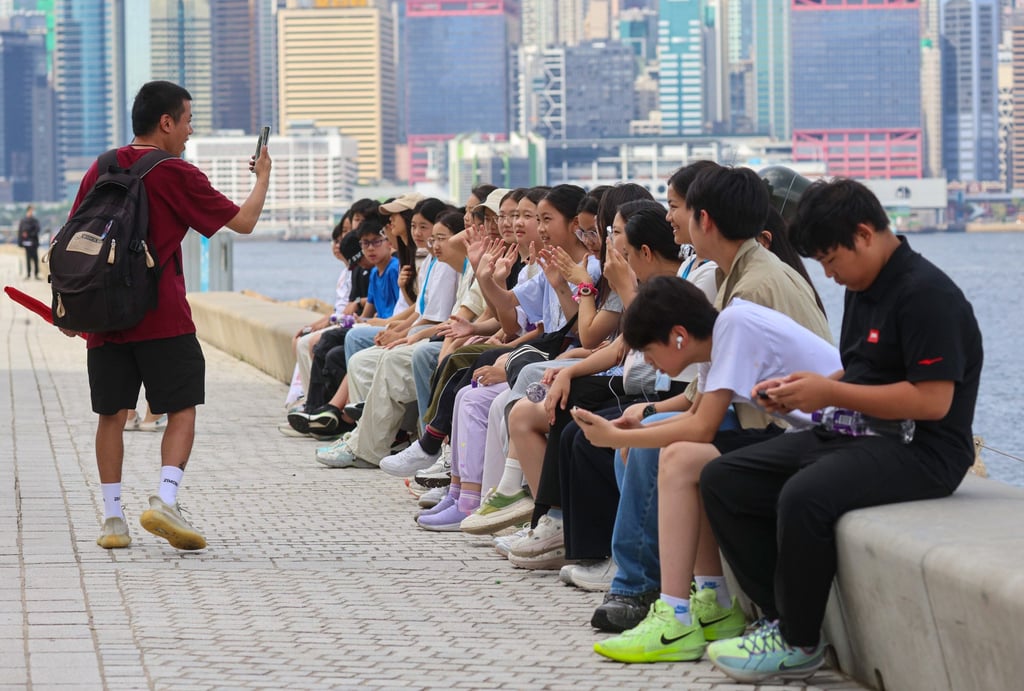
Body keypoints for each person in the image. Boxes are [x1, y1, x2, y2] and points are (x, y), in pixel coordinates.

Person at [699, 179, 982, 683]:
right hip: (857, 431)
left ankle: (799, 642)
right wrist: (800, 388)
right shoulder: (863, 285)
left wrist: (829, 394)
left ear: (865, 234)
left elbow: (932, 401)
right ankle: (777, 616)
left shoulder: (927, 294)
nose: (829, 274)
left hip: (923, 450)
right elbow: (858, 374)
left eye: (831, 260)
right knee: (725, 477)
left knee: (805, 496)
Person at [576, 277, 840, 664]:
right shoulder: (717, 336)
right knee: (682, 457)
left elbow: (702, 427)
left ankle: (675, 618)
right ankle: (711, 602)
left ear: (678, 335)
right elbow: (699, 418)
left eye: (649, 351)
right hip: (809, 436)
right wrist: (621, 432)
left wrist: (615, 439)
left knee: (681, 458)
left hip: (834, 439)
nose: (649, 362)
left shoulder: (733, 326)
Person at [61, 80, 271, 551]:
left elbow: (75, 238)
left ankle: (112, 519)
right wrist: (262, 177)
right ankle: (165, 498)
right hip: (162, 316)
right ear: (166, 122)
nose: (191, 131)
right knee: (180, 408)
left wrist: (73, 307)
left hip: (106, 317)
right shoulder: (176, 171)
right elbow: (243, 222)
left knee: (111, 415)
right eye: (189, 120)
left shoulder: (102, 165)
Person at [18, 205, 41, 279]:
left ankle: (36, 274)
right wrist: (21, 241)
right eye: (30, 211)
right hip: (26, 242)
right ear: (28, 211)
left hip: (34, 242)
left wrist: (30, 234)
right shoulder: (23, 220)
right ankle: (28, 274)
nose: (31, 212)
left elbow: (37, 229)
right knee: (28, 258)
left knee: (35, 258)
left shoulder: (35, 220)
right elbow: (20, 231)